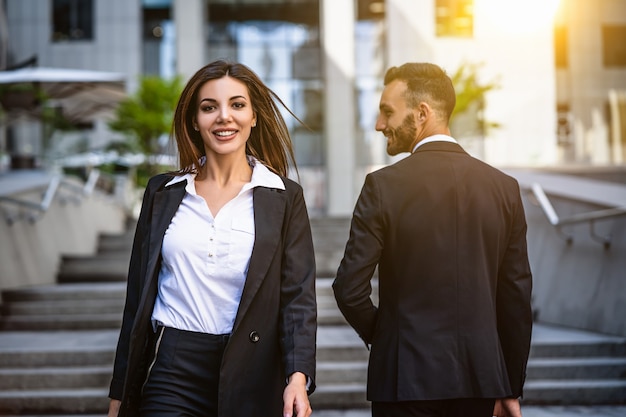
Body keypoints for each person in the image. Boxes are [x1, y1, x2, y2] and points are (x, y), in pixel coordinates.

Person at [107, 60, 317, 417]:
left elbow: (298, 296)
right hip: (174, 368)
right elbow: (136, 303)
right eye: (209, 107)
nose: (224, 117)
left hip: (253, 370)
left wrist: (297, 378)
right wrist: (118, 400)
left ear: (253, 117)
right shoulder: (162, 192)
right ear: (194, 120)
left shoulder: (284, 196)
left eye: (237, 105)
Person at [332, 62, 533, 417]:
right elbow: (515, 299)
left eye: (387, 112)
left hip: (403, 380)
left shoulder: (383, 186)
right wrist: (509, 385)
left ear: (421, 113)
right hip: (480, 381)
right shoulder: (504, 189)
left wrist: (387, 338)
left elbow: (349, 288)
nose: (380, 125)